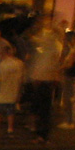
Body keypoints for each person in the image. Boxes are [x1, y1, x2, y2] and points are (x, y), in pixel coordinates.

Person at [27, 15, 63, 143]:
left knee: (44, 110)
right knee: (40, 108)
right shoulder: (46, 45)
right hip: (42, 79)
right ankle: (40, 134)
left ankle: (42, 135)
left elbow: (55, 63)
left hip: (46, 80)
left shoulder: (53, 45)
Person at [0, 43, 24, 135]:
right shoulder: (19, 63)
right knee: (10, 112)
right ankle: (10, 128)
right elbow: (21, 78)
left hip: (2, 91)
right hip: (14, 91)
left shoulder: (3, 64)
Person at [59, 31, 75, 129]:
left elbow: (71, 63)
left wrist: (60, 68)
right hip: (74, 75)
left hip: (70, 75)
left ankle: (70, 121)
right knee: (71, 98)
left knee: (69, 98)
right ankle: (70, 121)